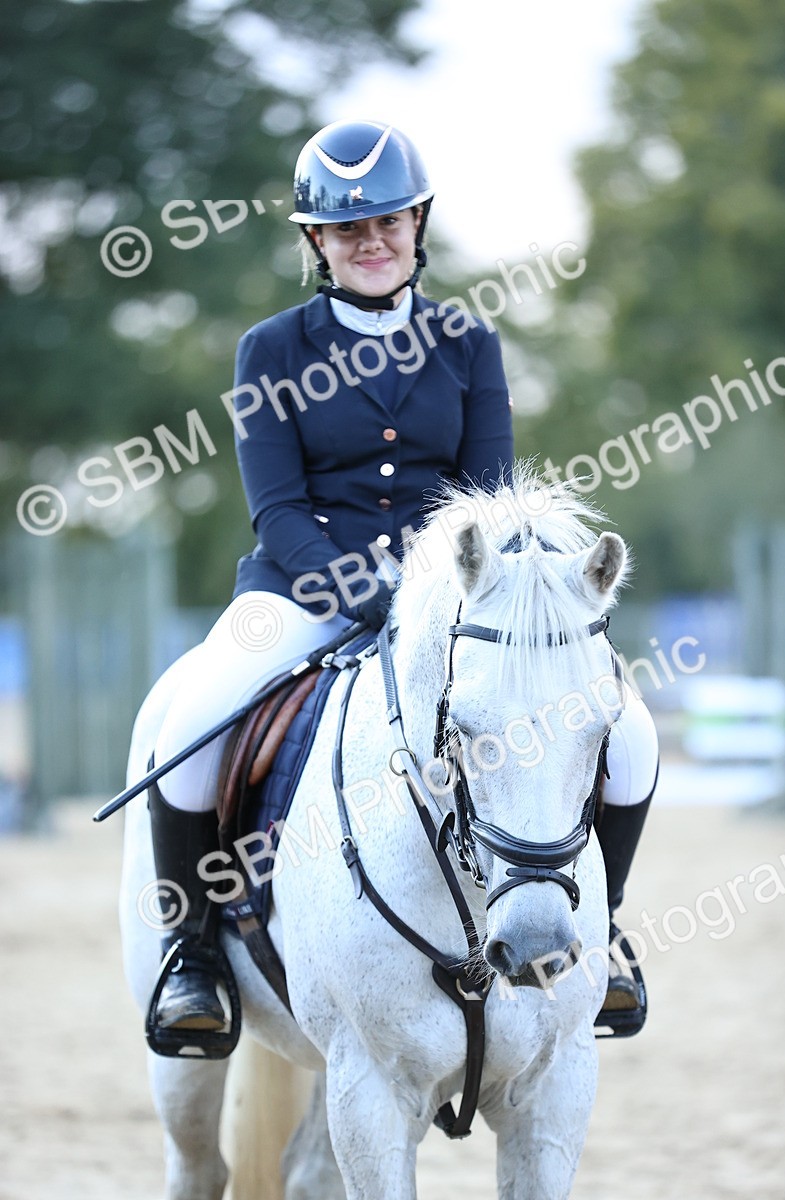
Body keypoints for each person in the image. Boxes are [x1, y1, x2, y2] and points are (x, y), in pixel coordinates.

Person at [146, 119, 657, 1037]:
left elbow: (490, 499)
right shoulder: (271, 350)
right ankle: (194, 958)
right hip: (294, 589)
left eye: (388, 222)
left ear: (418, 223)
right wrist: (359, 592)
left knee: (634, 734)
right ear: (316, 241)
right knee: (190, 720)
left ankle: (601, 928)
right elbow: (277, 508)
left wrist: (442, 596)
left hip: (450, 601)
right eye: (347, 229)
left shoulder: (470, 343)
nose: (371, 242)